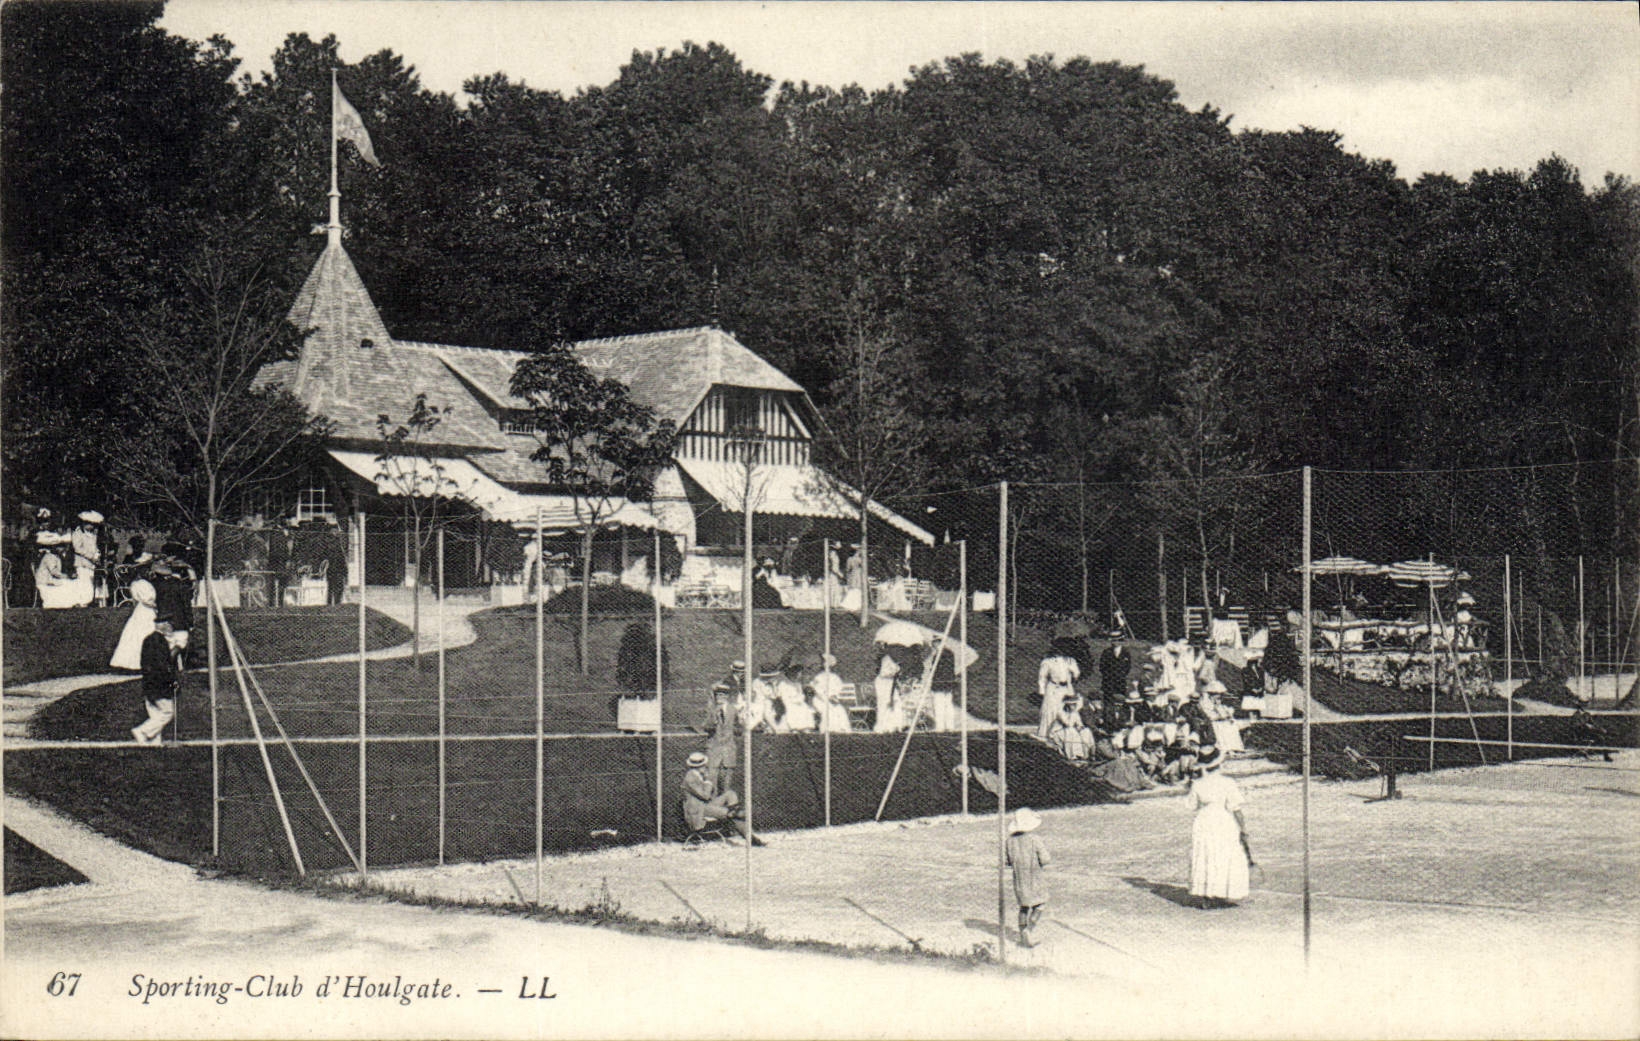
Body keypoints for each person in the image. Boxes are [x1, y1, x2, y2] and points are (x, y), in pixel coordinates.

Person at [1188, 746, 1250, 908]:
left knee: (1206, 855)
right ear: (1219, 764)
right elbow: (1236, 809)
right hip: (1222, 821)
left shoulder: (1197, 784)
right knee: (1223, 855)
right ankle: (1220, 892)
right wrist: (1243, 829)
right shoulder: (1228, 783)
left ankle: (1207, 896)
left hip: (1204, 821)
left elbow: (1192, 805)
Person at [681, 749, 761, 844]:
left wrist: (706, 781)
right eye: (703, 765)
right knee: (734, 815)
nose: (705, 767)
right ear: (698, 767)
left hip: (705, 806)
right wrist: (708, 781)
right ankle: (748, 833)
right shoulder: (690, 778)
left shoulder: (698, 775)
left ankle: (734, 812)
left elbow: (710, 793)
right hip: (699, 811)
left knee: (730, 794)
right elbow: (706, 795)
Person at [1005, 807, 1051, 948]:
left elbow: (1008, 861)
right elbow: (1045, 859)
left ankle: (1022, 933)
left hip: (1019, 878)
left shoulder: (1009, 841)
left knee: (1024, 906)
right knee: (1041, 903)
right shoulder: (1034, 839)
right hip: (1034, 876)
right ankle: (1029, 930)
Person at [134, 618, 185, 744]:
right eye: (168, 624)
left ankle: (152, 742)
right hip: (159, 683)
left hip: (149, 681)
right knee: (167, 712)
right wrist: (171, 680)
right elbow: (164, 665)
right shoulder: (159, 641)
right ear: (161, 625)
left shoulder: (150, 639)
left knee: (155, 714)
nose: (171, 627)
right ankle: (143, 731)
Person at [110, 578, 158, 671]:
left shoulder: (137, 584)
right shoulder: (140, 584)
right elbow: (145, 600)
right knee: (140, 634)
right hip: (145, 610)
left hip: (142, 610)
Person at [1037, 644, 1081, 739]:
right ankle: (1044, 734)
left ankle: (1065, 734)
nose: (1059, 652)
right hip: (1053, 688)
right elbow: (1042, 677)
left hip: (1066, 688)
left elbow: (1076, 674)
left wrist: (1073, 673)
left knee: (1066, 709)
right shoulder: (1048, 662)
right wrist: (1042, 691)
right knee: (1050, 711)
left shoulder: (1070, 661)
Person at [808, 653, 852, 732]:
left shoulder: (835, 677)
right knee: (827, 709)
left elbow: (838, 688)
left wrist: (834, 696)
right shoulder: (818, 677)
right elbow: (818, 691)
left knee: (839, 709)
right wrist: (828, 697)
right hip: (820, 700)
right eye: (823, 663)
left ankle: (840, 728)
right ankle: (827, 729)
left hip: (832, 700)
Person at [69, 510, 104, 607]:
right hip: (82, 563)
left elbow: (94, 547)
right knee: (84, 583)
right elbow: (77, 548)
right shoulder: (78, 533)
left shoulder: (93, 535)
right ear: (84, 523)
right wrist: (91, 556)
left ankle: (85, 603)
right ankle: (82, 603)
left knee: (90, 583)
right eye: (90, 524)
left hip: (91, 564)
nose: (92, 526)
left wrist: (97, 554)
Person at [33, 531, 77, 609]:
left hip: (51, 579)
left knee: (69, 583)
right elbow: (54, 572)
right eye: (59, 547)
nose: (62, 549)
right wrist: (66, 576)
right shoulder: (49, 557)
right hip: (45, 581)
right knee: (66, 583)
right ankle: (63, 603)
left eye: (62, 547)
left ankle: (68, 603)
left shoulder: (56, 557)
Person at [1047, 695, 1096, 762]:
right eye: (1072, 705)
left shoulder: (1075, 713)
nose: (1074, 706)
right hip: (1058, 732)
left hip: (1070, 731)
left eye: (1075, 704)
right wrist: (1073, 714)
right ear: (1067, 705)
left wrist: (1080, 727)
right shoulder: (1060, 713)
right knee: (1071, 731)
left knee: (1086, 731)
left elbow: (1079, 723)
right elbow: (1068, 724)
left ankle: (1086, 754)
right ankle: (1072, 755)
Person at [775, 661, 817, 732]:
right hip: (789, 703)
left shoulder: (798, 684)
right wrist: (796, 700)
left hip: (799, 702)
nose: (800, 675)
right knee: (794, 710)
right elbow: (784, 698)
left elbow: (801, 695)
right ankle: (795, 728)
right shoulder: (783, 684)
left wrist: (800, 699)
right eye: (798, 673)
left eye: (800, 673)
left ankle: (806, 728)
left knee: (805, 708)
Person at [1099, 632, 1133, 708]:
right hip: (1108, 683)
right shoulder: (1106, 652)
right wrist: (1109, 676)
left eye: (1117, 640)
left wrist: (1120, 675)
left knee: (1120, 703)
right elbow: (1102, 668)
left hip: (1120, 683)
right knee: (1108, 704)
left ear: (1121, 641)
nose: (1115, 643)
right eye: (1113, 641)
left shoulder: (1125, 653)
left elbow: (1127, 668)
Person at [872, 653, 904, 732]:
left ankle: (895, 725)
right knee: (885, 703)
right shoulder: (886, 658)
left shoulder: (894, 659)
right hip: (883, 683)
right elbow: (884, 673)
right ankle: (884, 726)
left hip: (890, 683)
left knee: (896, 702)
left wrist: (897, 671)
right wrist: (895, 672)